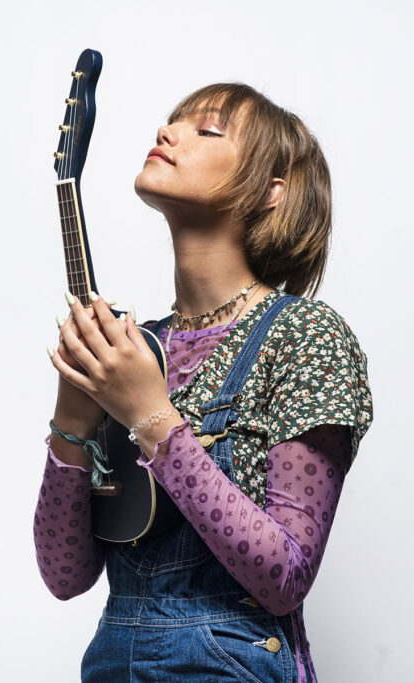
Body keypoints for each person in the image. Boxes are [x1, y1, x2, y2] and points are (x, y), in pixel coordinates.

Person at [36, 84, 372, 681]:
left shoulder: (305, 335)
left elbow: (285, 577)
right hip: (113, 661)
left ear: (271, 192)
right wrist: (71, 424)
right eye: (170, 123)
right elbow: (66, 577)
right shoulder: (140, 348)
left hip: (230, 662)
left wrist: (148, 413)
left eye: (207, 129)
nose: (167, 133)